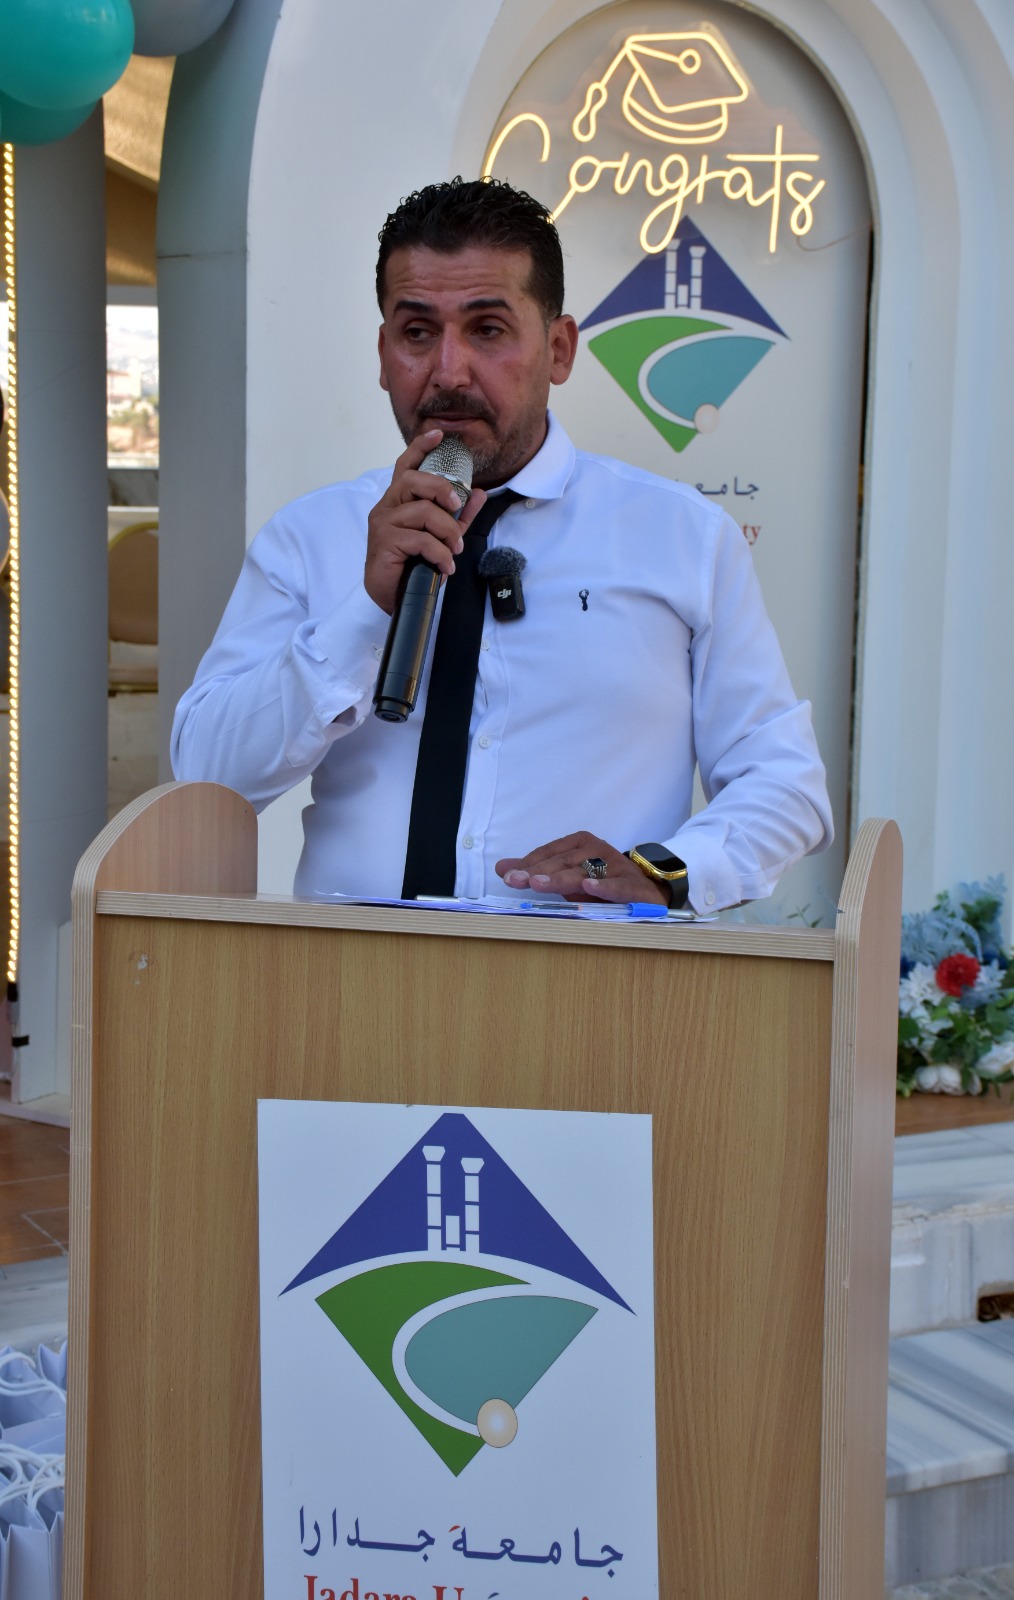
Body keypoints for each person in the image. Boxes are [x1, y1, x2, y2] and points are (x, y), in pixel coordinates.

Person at [172, 177, 832, 912]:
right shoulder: (310, 537)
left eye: (487, 329)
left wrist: (664, 871)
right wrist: (363, 613)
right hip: (353, 974)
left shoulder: (682, 537)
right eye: (417, 333)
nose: (448, 372)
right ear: (383, 353)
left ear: (559, 349)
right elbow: (205, 776)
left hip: (587, 976)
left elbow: (785, 783)